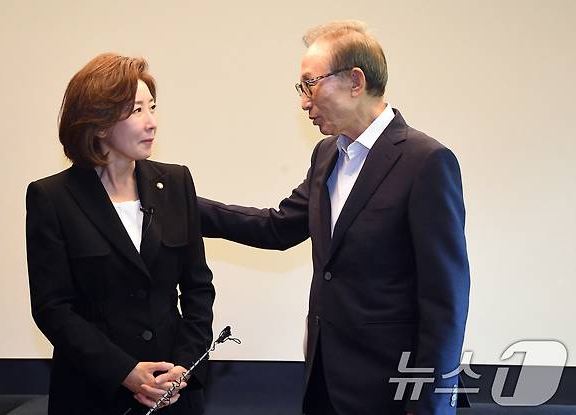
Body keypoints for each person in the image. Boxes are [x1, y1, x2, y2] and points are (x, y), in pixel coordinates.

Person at [198, 21, 469, 415]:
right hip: (323, 384)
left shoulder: (425, 161)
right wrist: (182, 202)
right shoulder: (326, 155)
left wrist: (428, 405)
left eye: (310, 84)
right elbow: (276, 228)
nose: (304, 102)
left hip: (391, 394)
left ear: (355, 81)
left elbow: (446, 300)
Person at [26, 53, 215, 415]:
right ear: (98, 124)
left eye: (153, 108)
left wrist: (183, 369)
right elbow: (53, 309)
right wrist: (124, 372)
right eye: (136, 111)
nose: (152, 123)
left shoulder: (176, 182)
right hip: (92, 394)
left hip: (173, 392)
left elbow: (197, 288)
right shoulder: (51, 197)